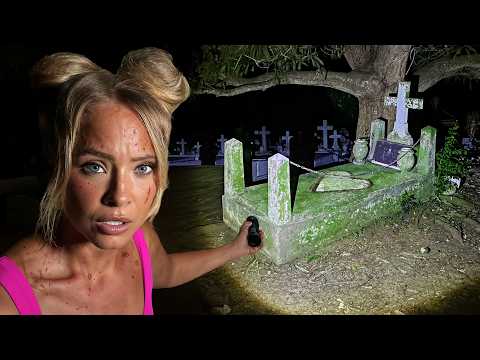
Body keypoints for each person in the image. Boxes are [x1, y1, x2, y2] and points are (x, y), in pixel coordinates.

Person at [0, 47, 264, 315]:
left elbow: (167, 271)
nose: (120, 196)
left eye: (142, 168)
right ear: (59, 163)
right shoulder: (9, 297)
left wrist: (235, 249)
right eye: (95, 166)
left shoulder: (139, 241)